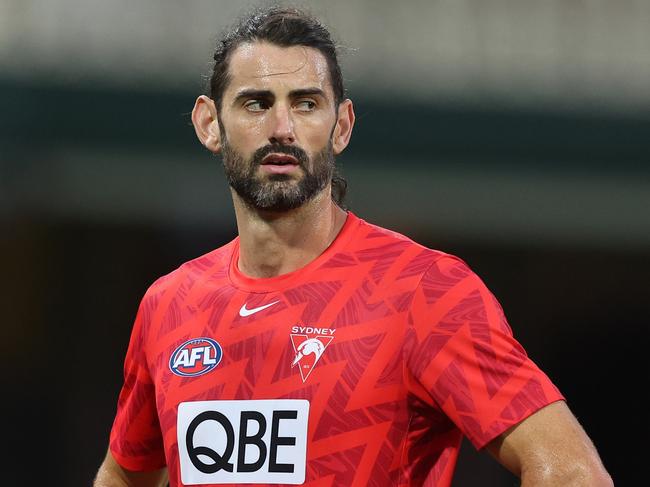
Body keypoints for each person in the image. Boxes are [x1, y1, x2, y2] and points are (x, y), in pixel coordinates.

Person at [95, 6, 612, 487]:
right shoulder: (169, 306)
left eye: (306, 104)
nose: (282, 129)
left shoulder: (422, 292)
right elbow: (124, 474)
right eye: (256, 103)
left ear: (340, 126)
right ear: (210, 123)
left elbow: (571, 471)